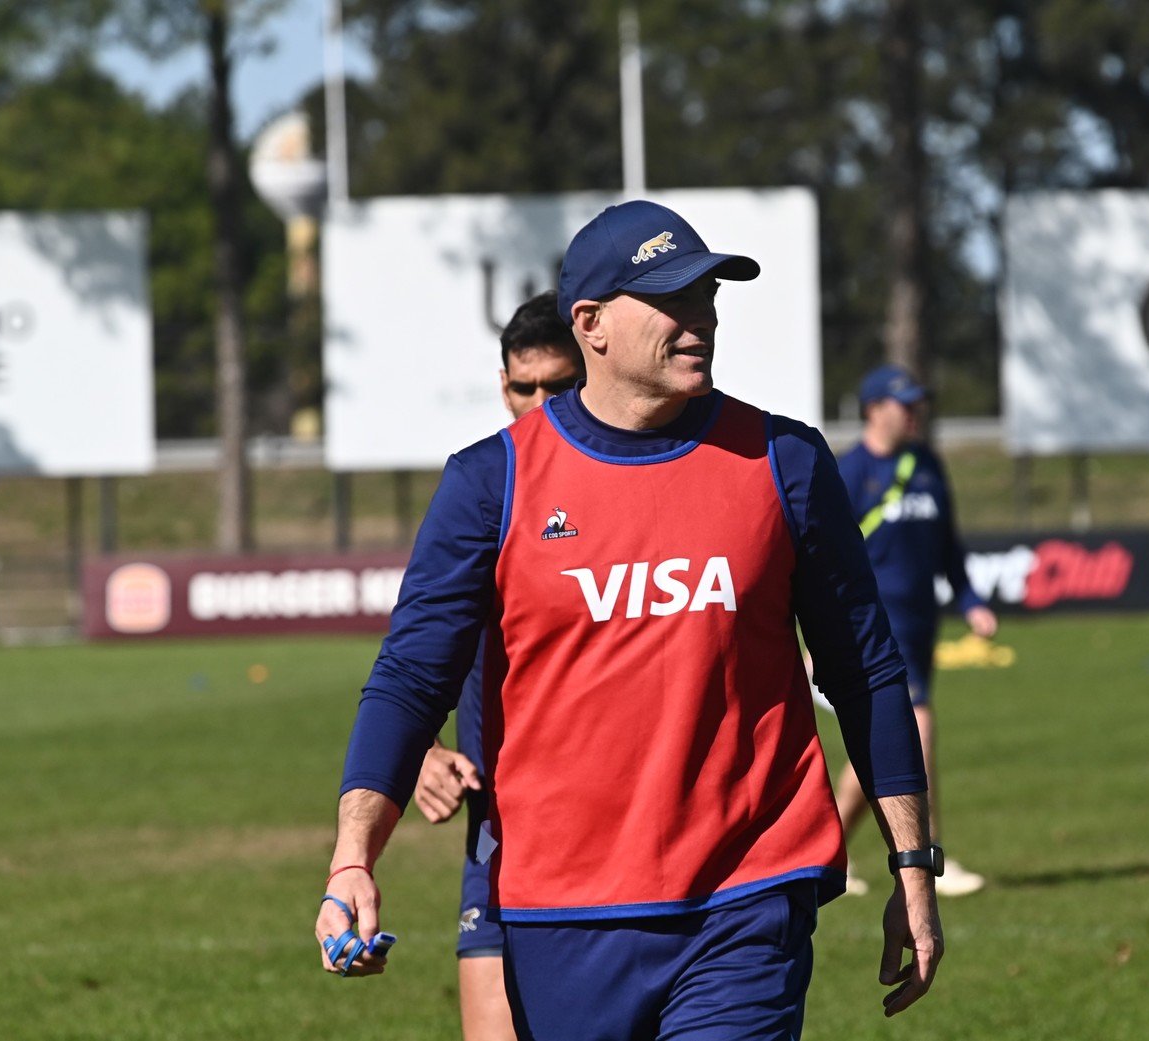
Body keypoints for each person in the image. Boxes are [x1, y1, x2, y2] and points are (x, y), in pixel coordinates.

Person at [314, 199, 945, 1040]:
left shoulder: (783, 462)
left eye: (707, 296)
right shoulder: (489, 484)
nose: (701, 318)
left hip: (748, 895)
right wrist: (354, 854)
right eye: (672, 300)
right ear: (592, 323)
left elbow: (863, 668)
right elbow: (409, 677)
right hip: (560, 908)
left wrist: (910, 860)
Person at [411, 289, 584, 1041]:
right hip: (506, 834)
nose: (538, 403)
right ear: (503, 385)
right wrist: (423, 749)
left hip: (637, 834)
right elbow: (417, 660)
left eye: (559, 385)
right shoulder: (487, 490)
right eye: (524, 387)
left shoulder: (649, 489)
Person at [832, 364, 998, 898]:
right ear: (872, 409)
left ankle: (824, 849)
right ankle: (928, 861)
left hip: (922, 627)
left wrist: (970, 601)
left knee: (882, 748)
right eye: (905, 405)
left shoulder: (926, 465)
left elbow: (948, 546)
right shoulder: (849, 472)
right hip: (874, 628)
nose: (914, 413)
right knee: (917, 732)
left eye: (918, 405)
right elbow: (826, 558)